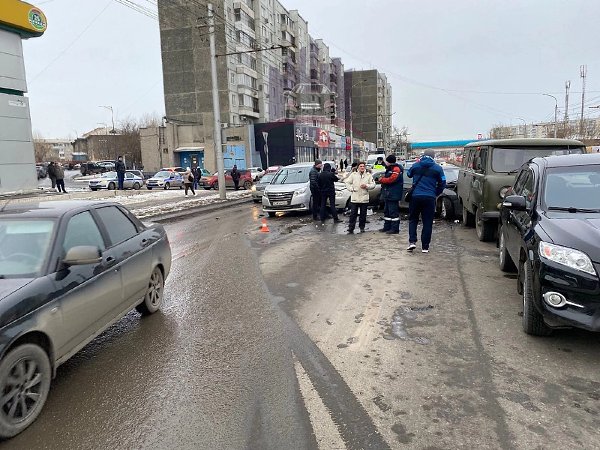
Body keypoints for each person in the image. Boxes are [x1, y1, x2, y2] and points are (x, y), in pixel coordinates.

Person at [406, 149, 446, 253]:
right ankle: (425, 247)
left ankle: (412, 242)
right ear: (433, 156)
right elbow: (443, 182)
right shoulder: (438, 168)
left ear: (423, 155)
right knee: (427, 222)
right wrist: (435, 192)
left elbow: (409, 174)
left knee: (413, 219)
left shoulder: (416, 165)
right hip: (430, 197)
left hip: (415, 197)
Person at [345, 161, 375, 234]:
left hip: (364, 198)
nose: (362, 168)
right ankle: (351, 228)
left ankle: (362, 228)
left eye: (363, 166)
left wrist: (367, 186)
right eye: (360, 166)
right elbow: (347, 182)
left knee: (363, 215)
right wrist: (351, 189)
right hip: (355, 197)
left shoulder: (368, 175)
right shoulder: (353, 175)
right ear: (358, 167)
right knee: (353, 214)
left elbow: (373, 184)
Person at [378, 155, 403, 234]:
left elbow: (392, 179)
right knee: (387, 211)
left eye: (386, 161)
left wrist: (382, 179)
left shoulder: (396, 169)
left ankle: (395, 228)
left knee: (393, 212)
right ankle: (387, 227)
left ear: (389, 162)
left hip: (393, 194)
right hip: (388, 194)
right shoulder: (390, 168)